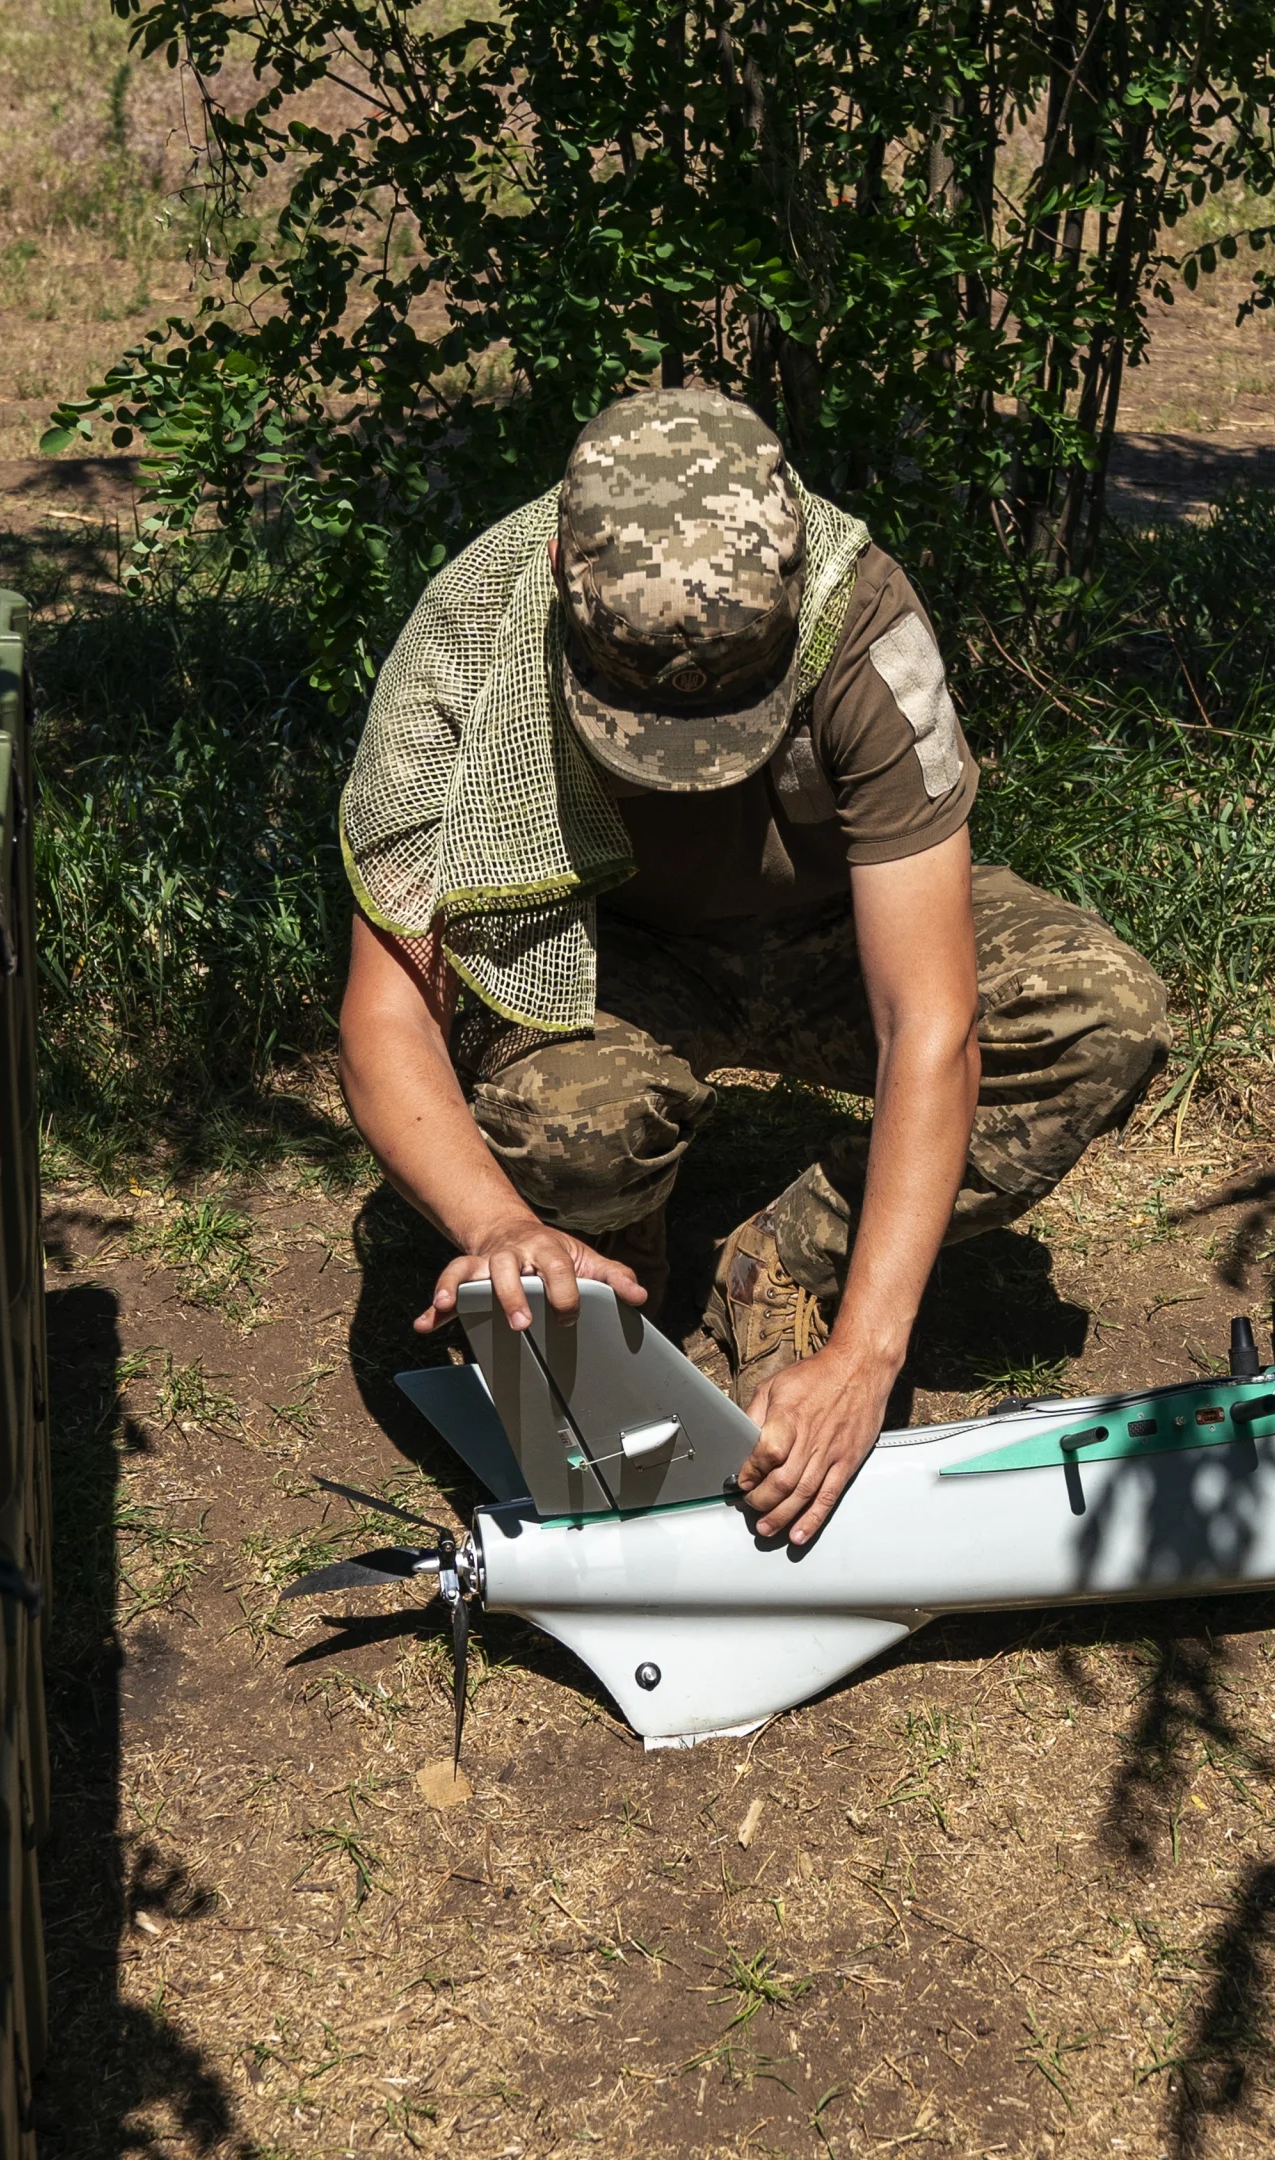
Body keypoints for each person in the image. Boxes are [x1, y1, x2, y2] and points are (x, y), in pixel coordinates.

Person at [336, 386, 1170, 1547]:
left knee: (1099, 1012)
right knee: (563, 1133)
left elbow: (928, 1019)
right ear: (565, 580)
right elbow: (387, 1014)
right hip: (620, 955)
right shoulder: (470, 639)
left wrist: (866, 1353)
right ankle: (611, 1271)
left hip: (841, 930)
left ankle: (782, 1252)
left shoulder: (864, 620)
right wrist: (493, 1229)